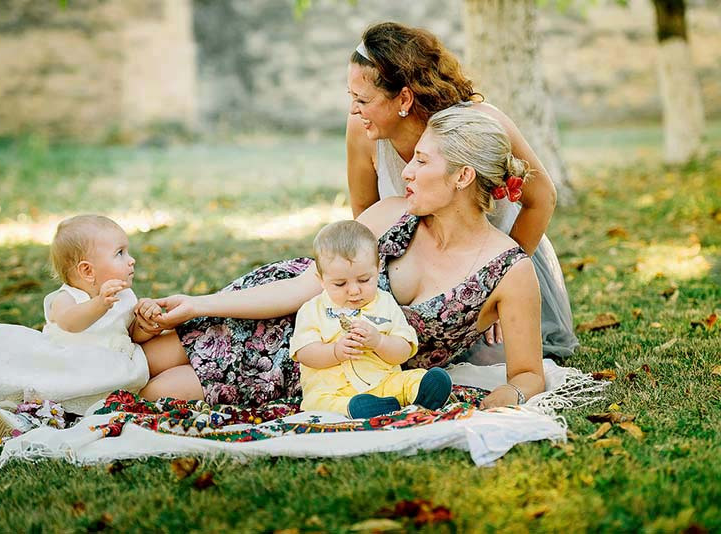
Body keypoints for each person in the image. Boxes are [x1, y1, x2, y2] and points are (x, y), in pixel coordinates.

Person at [137, 105, 545, 410]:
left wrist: (508, 397)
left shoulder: (509, 271)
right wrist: (198, 305)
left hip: (324, 372)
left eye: (422, 161)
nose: (406, 171)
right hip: (284, 317)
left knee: (153, 391)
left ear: (463, 176)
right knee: (137, 360)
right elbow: (303, 287)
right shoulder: (392, 214)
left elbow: (528, 374)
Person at [345, 21, 578, 362]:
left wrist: (493, 283)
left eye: (363, 99)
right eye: (352, 97)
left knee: (487, 362)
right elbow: (365, 212)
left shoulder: (477, 125)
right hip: (418, 266)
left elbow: (542, 198)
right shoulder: (362, 130)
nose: (353, 109)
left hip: (498, 255)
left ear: (404, 98)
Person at [0, 215, 154, 437]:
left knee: (71, 409)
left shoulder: (123, 295)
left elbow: (129, 331)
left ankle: (28, 419)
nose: (131, 260)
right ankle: (14, 412)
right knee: (46, 396)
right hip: (68, 366)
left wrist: (144, 325)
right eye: (120, 253)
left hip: (109, 368)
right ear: (87, 270)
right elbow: (70, 323)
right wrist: (99, 304)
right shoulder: (67, 298)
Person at [290, 220, 452, 418]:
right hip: (333, 390)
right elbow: (305, 353)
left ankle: (422, 393)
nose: (354, 290)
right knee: (319, 402)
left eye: (364, 280)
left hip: (383, 382)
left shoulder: (385, 303)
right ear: (321, 280)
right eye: (340, 284)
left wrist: (379, 341)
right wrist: (335, 351)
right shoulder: (312, 310)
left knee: (409, 379)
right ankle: (356, 409)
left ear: (377, 269)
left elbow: (403, 350)